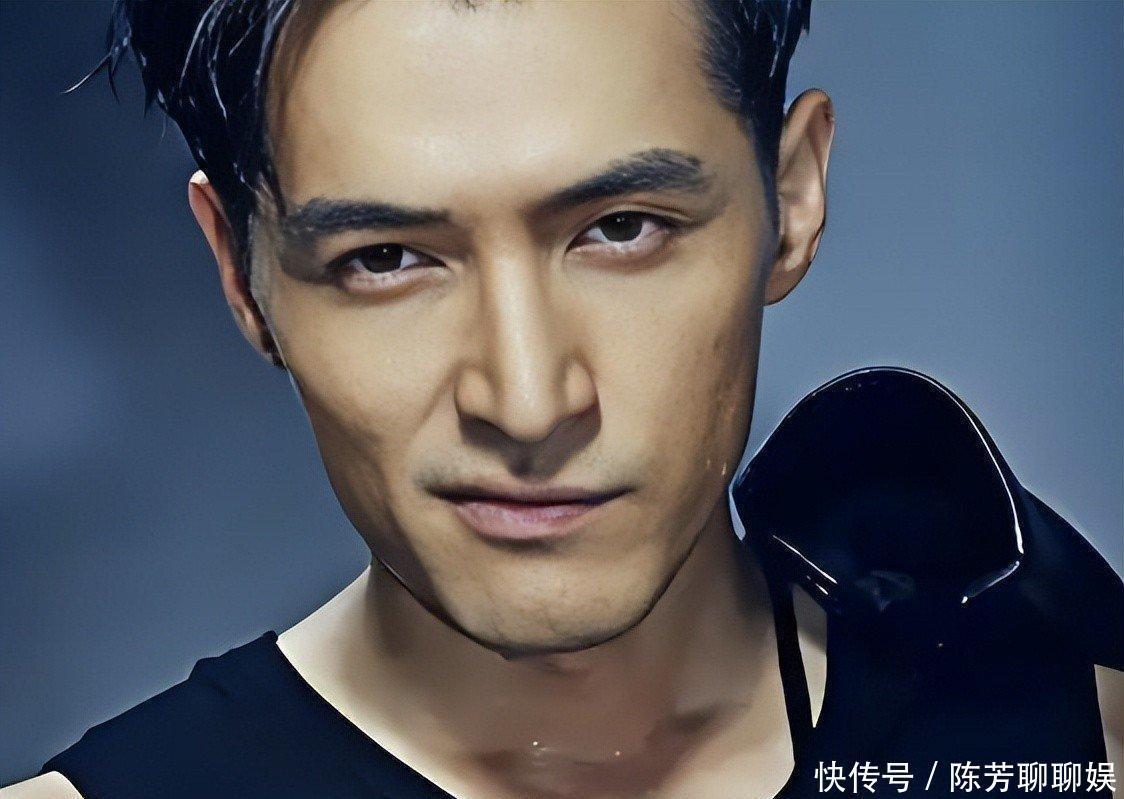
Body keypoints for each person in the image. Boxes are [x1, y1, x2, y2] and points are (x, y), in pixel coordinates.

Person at [3, 1, 1121, 797]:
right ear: (242, 277)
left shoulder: (1079, 748)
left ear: (789, 196)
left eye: (622, 228)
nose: (530, 401)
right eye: (385, 257)